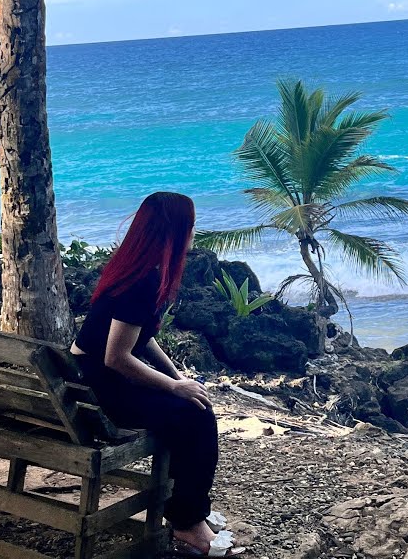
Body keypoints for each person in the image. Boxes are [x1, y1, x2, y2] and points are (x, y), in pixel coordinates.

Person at [69, 192, 245, 557]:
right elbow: (117, 357)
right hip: (99, 383)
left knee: (190, 406)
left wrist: (177, 379)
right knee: (197, 416)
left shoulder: (136, 269)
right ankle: (188, 523)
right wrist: (175, 389)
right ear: (175, 231)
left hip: (85, 375)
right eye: (191, 225)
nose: (194, 232)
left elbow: (142, 338)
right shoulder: (142, 281)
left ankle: (189, 510)